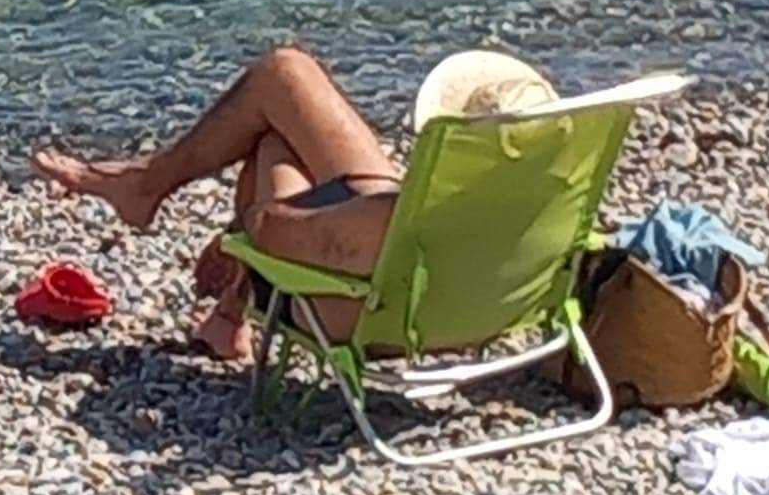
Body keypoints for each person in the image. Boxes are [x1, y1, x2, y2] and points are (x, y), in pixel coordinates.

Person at [36, 41, 495, 367]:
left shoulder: (384, 219)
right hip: (480, 305)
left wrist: (235, 242)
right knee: (284, 92)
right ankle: (222, 319)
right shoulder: (544, 210)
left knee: (281, 88)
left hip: (367, 312)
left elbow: (272, 234)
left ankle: (149, 189)